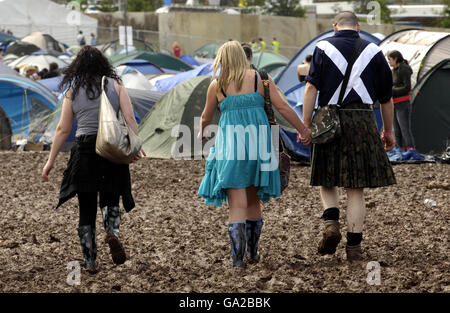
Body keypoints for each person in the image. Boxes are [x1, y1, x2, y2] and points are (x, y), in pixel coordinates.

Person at [197, 41, 310, 268]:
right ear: (242, 56)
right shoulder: (261, 80)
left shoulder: (216, 85)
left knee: (236, 204)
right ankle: (254, 253)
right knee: (253, 200)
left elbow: (205, 117)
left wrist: (201, 134)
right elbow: (284, 108)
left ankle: (238, 260)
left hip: (231, 148)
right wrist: (303, 129)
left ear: (222, 59)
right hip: (259, 147)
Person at [301, 11, 396, 261]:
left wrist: (305, 124)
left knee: (326, 178)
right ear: (358, 27)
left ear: (334, 28)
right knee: (355, 189)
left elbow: (311, 87)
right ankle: (354, 248)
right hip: (362, 120)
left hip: (328, 121)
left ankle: (331, 221)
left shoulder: (322, 46)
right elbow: (386, 99)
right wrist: (388, 131)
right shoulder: (374, 51)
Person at [41, 46, 145, 274]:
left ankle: (89, 261)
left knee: (86, 208)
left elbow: (62, 129)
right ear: (102, 64)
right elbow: (129, 117)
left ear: (78, 66)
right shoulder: (115, 85)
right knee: (111, 196)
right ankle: (112, 232)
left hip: (85, 150)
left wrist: (50, 161)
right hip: (111, 148)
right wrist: (136, 146)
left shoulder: (73, 89)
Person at [387, 50, 415, 151]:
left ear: (395, 59)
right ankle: (400, 150)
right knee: (396, 130)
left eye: (389, 59)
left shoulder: (404, 69)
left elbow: (407, 87)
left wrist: (392, 91)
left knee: (405, 129)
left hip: (403, 103)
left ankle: (411, 151)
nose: (388, 62)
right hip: (394, 103)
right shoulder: (393, 70)